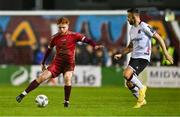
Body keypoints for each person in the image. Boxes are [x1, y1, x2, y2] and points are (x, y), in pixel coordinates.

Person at [16, 17, 103, 108]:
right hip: (57, 63)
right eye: (60, 27)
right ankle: (23, 94)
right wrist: (43, 62)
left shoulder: (75, 35)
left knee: (67, 78)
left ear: (68, 26)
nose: (61, 29)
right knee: (42, 77)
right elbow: (49, 50)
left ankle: (66, 102)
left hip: (69, 64)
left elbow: (87, 40)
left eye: (63, 27)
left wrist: (94, 45)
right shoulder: (55, 37)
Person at [114, 8, 173, 108]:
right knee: (129, 82)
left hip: (143, 57)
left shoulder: (145, 26)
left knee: (126, 74)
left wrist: (165, 53)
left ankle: (142, 87)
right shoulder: (132, 30)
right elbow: (130, 47)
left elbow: (158, 38)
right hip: (134, 58)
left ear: (135, 17)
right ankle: (141, 100)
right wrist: (121, 54)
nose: (127, 19)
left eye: (129, 17)